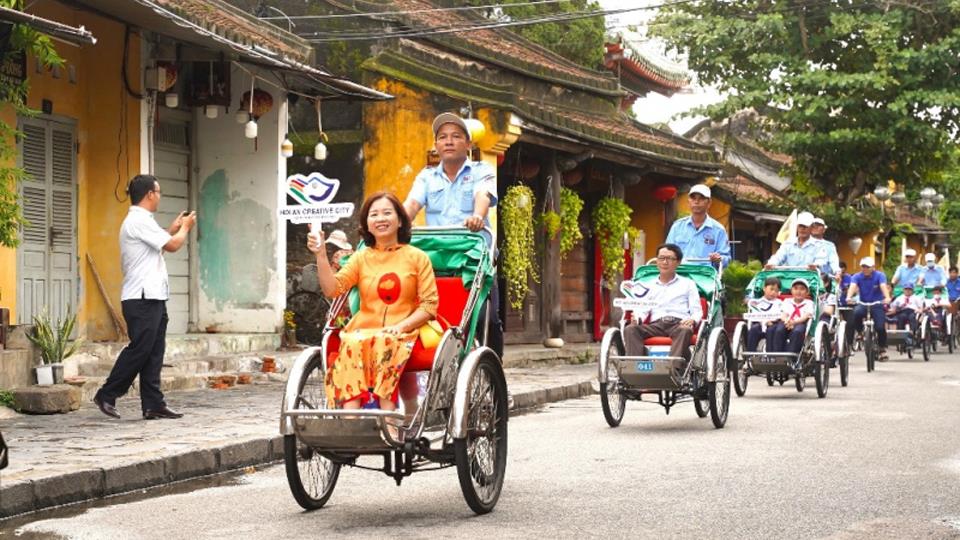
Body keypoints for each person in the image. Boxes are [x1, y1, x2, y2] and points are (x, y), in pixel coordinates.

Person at [309, 192, 439, 412]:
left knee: (385, 339)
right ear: (367, 224)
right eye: (374, 214)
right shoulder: (361, 257)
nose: (380, 219)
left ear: (400, 220)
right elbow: (333, 289)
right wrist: (321, 255)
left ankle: (388, 420)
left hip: (402, 331)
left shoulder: (417, 257)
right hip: (362, 333)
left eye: (387, 213)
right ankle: (352, 423)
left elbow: (428, 306)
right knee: (351, 341)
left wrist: (400, 327)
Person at [93, 175, 196, 420]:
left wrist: (171, 229)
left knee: (154, 351)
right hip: (140, 297)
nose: (160, 196)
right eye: (158, 192)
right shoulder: (137, 220)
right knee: (140, 349)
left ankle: (153, 403)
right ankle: (107, 394)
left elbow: (158, 245)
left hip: (153, 296)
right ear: (150, 194)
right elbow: (172, 246)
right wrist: (185, 228)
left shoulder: (143, 221)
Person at [403, 112, 503, 358]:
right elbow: (411, 205)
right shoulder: (426, 176)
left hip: (473, 254)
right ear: (436, 145)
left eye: (456, 137)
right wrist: (396, 223)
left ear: (468, 144)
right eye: (443, 137)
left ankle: (496, 372)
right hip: (435, 256)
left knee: (485, 317)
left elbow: (483, 195)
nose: (448, 141)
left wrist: (478, 216)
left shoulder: (482, 170)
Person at [623, 244, 703, 362]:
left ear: (678, 262)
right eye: (661, 258)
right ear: (657, 261)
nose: (665, 262)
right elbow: (643, 309)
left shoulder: (688, 284)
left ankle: (672, 368)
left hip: (679, 324)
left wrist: (692, 320)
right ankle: (636, 368)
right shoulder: (649, 285)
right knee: (630, 329)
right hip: (656, 325)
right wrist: (638, 317)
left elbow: (697, 311)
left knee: (685, 330)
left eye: (670, 259)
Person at [664, 184, 730, 266]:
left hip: (705, 274)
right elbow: (667, 252)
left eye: (701, 198)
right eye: (693, 198)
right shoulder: (677, 226)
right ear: (688, 202)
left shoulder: (719, 230)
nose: (696, 202)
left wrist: (719, 259)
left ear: (709, 203)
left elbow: (726, 259)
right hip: (680, 273)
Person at [846, 257, 892, 361]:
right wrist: (848, 297)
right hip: (863, 303)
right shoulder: (857, 276)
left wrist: (887, 297)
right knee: (856, 313)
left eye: (867, 267)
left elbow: (883, 286)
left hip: (877, 304)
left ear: (873, 267)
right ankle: (860, 332)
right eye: (863, 267)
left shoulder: (880, 275)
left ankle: (882, 349)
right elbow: (852, 286)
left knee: (880, 327)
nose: (865, 269)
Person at [770, 279, 814, 355]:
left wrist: (794, 322)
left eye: (802, 289)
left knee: (797, 331)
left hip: (800, 323)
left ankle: (791, 356)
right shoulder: (787, 301)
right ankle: (777, 355)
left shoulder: (809, 303)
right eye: (796, 288)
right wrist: (787, 321)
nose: (798, 291)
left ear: (807, 292)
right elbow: (784, 313)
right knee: (779, 330)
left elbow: (806, 316)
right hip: (786, 322)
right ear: (791, 290)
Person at [745, 276, 782, 352]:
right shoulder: (757, 302)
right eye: (771, 289)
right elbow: (755, 314)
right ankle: (750, 355)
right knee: (753, 329)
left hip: (773, 325)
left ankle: (770, 355)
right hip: (759, 324)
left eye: (776, 291)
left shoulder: (779, 303)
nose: (773, 292)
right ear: (764, 288)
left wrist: (772, 321)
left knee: (771, 330)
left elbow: (780, 314)